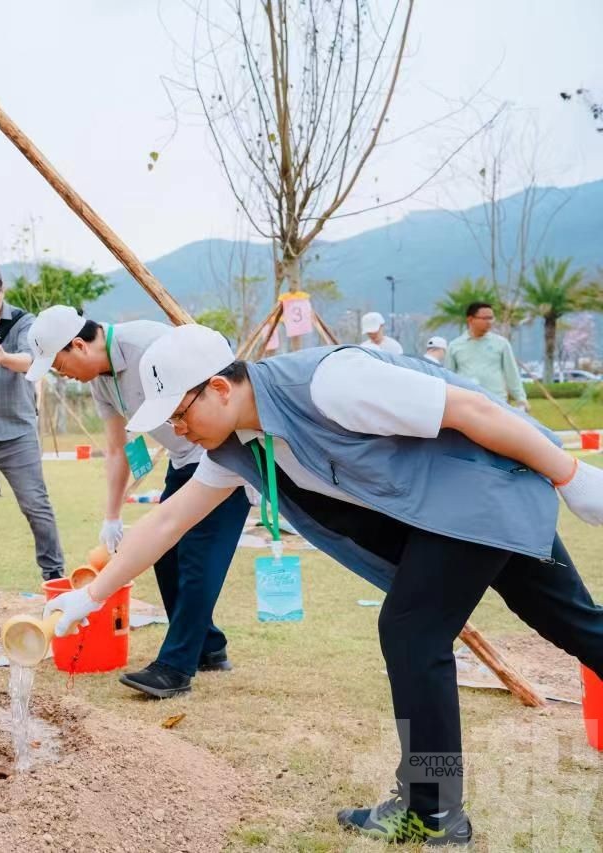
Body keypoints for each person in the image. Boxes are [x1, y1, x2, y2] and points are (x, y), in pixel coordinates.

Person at [45, 324, 603, 845]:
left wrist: (570, 474)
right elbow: (167, 520)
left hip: (481, 498)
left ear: (218, 387)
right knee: (574, 623)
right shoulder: (240, 445)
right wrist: (90, 596)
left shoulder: (330, 383)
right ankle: (433, 806)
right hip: (471, 512)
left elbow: (468, 407)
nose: (178, 432)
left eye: (180, 415)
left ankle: (432, 810)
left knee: (412, 633)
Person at [26, 305, 250, 698]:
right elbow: (118, 449)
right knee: (164, 555)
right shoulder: (100, 381)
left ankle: (175, 667)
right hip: (186, 462)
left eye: (60, 366)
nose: (63, 376)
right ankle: (209, 647)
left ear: (78, 345)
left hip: (224, 455)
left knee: (198, 557)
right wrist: (111, 516)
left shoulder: (149, 343)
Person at [0, 261, 65, 587]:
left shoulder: (24, 322)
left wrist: (1, 357)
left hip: (16, 431)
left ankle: (53, 575)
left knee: (36, 506)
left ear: (2, 290)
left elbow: (33, 361)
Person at [446, 301, 528, 410]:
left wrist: (521, 399)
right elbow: (448, 376)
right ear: (470, 319)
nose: (489, 322)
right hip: (466, 402)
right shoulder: (455, 346)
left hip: (496, 401)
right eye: (484, 318)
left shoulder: (501, 343)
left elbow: (511, 374)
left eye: (491, 318)